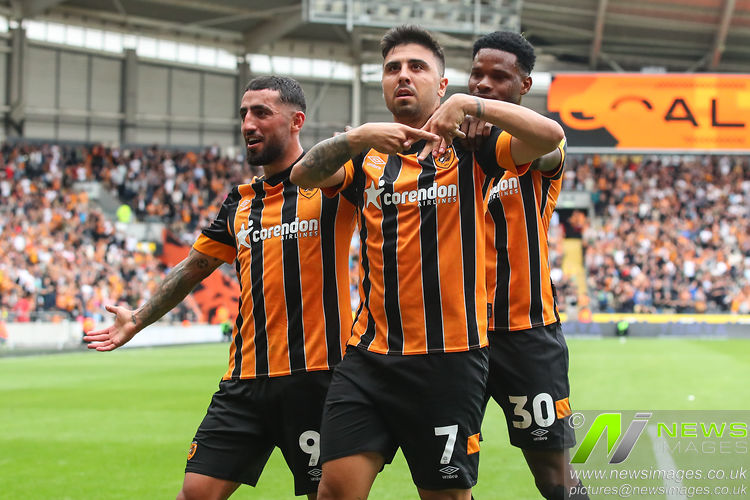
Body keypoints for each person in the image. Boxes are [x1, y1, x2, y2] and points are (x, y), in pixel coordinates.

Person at [290, 25, 564, 500]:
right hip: (371, 355)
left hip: (468, 349)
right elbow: (303, 174)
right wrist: (356, 136)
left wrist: (469, 106)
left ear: (440, 84)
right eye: (392, 68)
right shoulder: (366, 153)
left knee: (545, 479)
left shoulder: (475, 147)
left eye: (416, 67)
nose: (402, 75)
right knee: (333, 490)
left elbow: (551, 138)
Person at [84, 76, 357, 500]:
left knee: (331, 496)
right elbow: (192, 268)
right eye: (244, 114)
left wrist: (355, 140)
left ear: (296, 121)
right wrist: (137, 319)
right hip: (244, 380)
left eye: (261, 113)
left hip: (317, 376)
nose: (248, 123)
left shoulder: (333, 183)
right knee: (195, 494)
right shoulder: (241, 201)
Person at [462, 31, 586, 500]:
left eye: (499, 76)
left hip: (527, 333)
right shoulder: (448, 148)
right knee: (446, 476)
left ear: (525, 85)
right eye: (477, 74)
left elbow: (550, 140)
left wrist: (478, 109)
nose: (484, 84)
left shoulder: (533, 150)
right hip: (458, 337)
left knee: (553, 478)